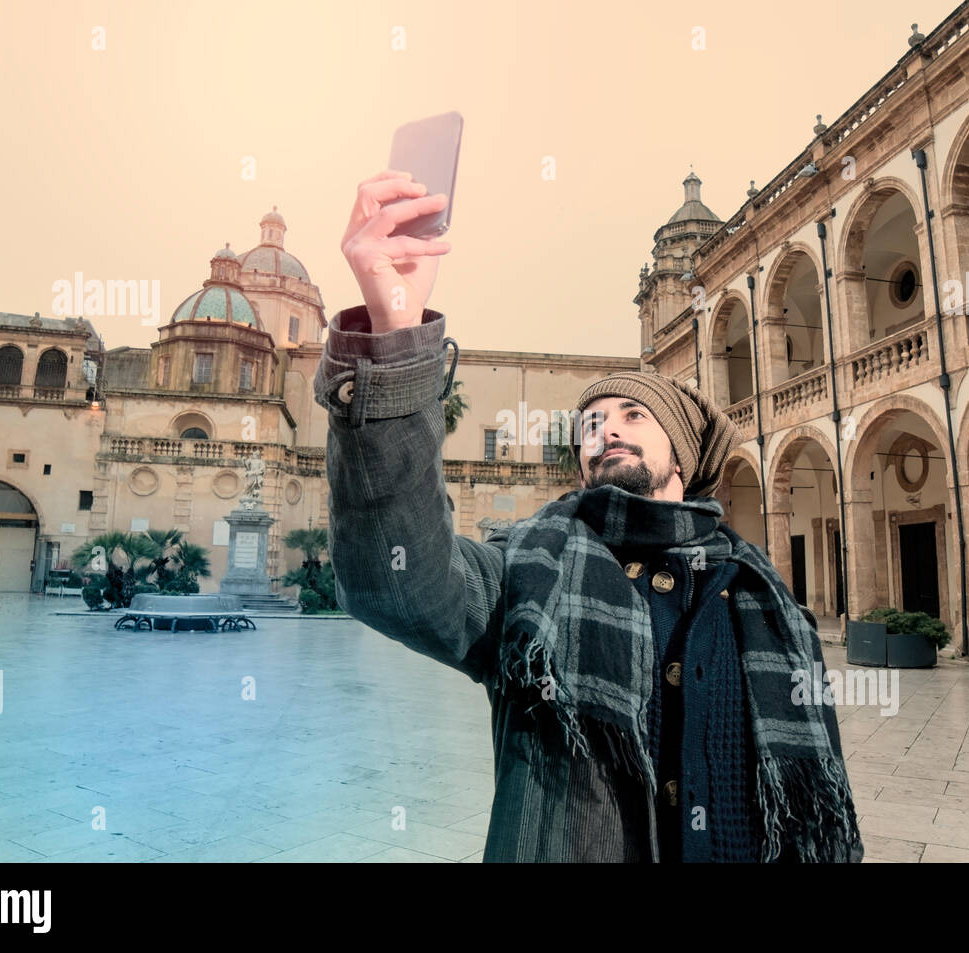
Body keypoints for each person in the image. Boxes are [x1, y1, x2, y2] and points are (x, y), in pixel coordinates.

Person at [314, 170, 863, 862]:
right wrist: (394, 329)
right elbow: (392, 578)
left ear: (684, 455)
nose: (607, 430)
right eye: (592, 423)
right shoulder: (528, 576)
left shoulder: (769, 606)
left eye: (634, 414)